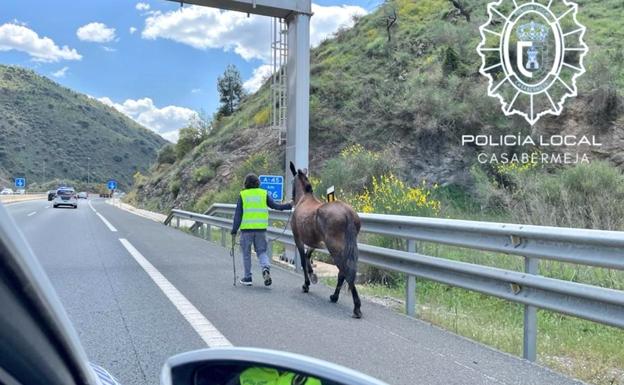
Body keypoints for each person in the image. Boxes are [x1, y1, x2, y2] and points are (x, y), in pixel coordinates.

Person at [231, 173, 292, 286]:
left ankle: (248, 278)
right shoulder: (263, 194)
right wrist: (288, 206)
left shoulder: (243, 195)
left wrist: (234, 230)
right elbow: (276, 206)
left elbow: (238, 215)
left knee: (246, 254)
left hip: (246, 231)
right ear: (258, 183)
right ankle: (265, 269)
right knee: (262, 252)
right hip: (261, 230)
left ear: (246, 184)